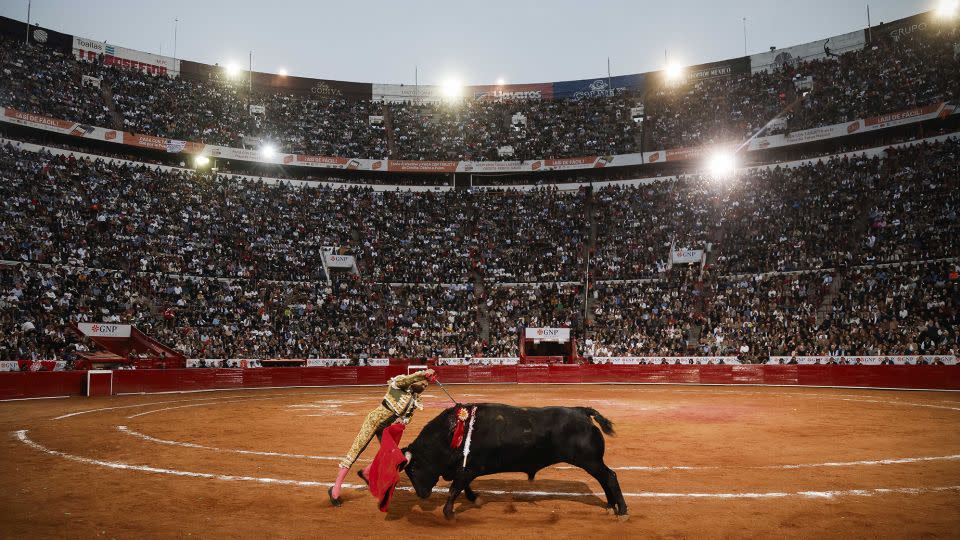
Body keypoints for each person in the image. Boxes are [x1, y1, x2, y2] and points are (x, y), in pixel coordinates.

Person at [328, 368, 437, 506]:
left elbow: (407, 418)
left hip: (386, 429)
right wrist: (422, 374)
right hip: (373, 421)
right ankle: (335, 489)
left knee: (390, 456)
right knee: (355, 451)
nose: (424, 387)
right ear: (416, 380)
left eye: (426, 386)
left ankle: (367, 473)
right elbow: (408, 379)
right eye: (422, 384)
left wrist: (402, 421)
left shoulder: (415, 399)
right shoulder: (400, 383)